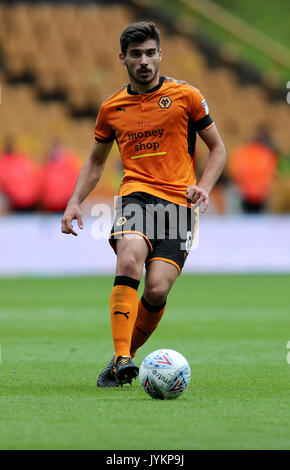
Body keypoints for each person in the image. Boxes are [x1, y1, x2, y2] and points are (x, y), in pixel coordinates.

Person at [61, 22, 226, 387]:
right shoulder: (112, 108)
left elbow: (218, 149)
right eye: (136, 54)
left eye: (151, 53)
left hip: (179, 206)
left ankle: (123, 359)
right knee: (130, 258)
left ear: (160, 54)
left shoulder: (187, 96)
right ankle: (122, 356)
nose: (144, 61)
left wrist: (204, 186)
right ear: (123, 58)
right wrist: (75, 201)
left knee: (156, 290)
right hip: (137, 195)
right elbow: (95, 161)